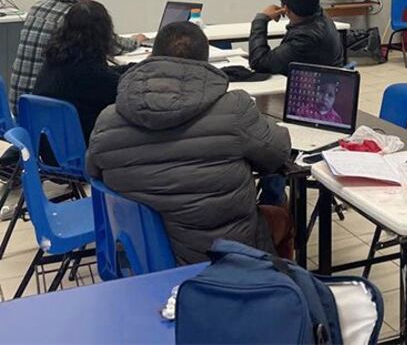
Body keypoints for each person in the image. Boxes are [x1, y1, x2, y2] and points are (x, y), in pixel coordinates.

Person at [86, 22, 294, 263]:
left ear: (152, 57)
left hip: (142, 259)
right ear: (205, 62)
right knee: (282, 218)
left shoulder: (107, 120)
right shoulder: (235, 108)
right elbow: (278, 152)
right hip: (224, 254)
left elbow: (93, 173)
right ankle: (277, 280)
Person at [8, 0, 144, 115]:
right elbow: (114, 47)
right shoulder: (76, 16)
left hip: (24, 105)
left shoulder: (37, 8)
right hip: (52, 112)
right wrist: (137, 41)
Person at [33, 1, 124, 147]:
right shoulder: (92, 75)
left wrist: (133, 68)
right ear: (103, 34)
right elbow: (125, 91)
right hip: (84, 146)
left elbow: (106, 75)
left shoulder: (55, 61)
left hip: (48, 145)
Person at [249, 0, 344, 74]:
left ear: (286, 9)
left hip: (314, 82)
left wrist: (261, 19)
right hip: (326, 78)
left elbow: (259, 62)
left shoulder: (304, 40)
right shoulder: (320, 15)